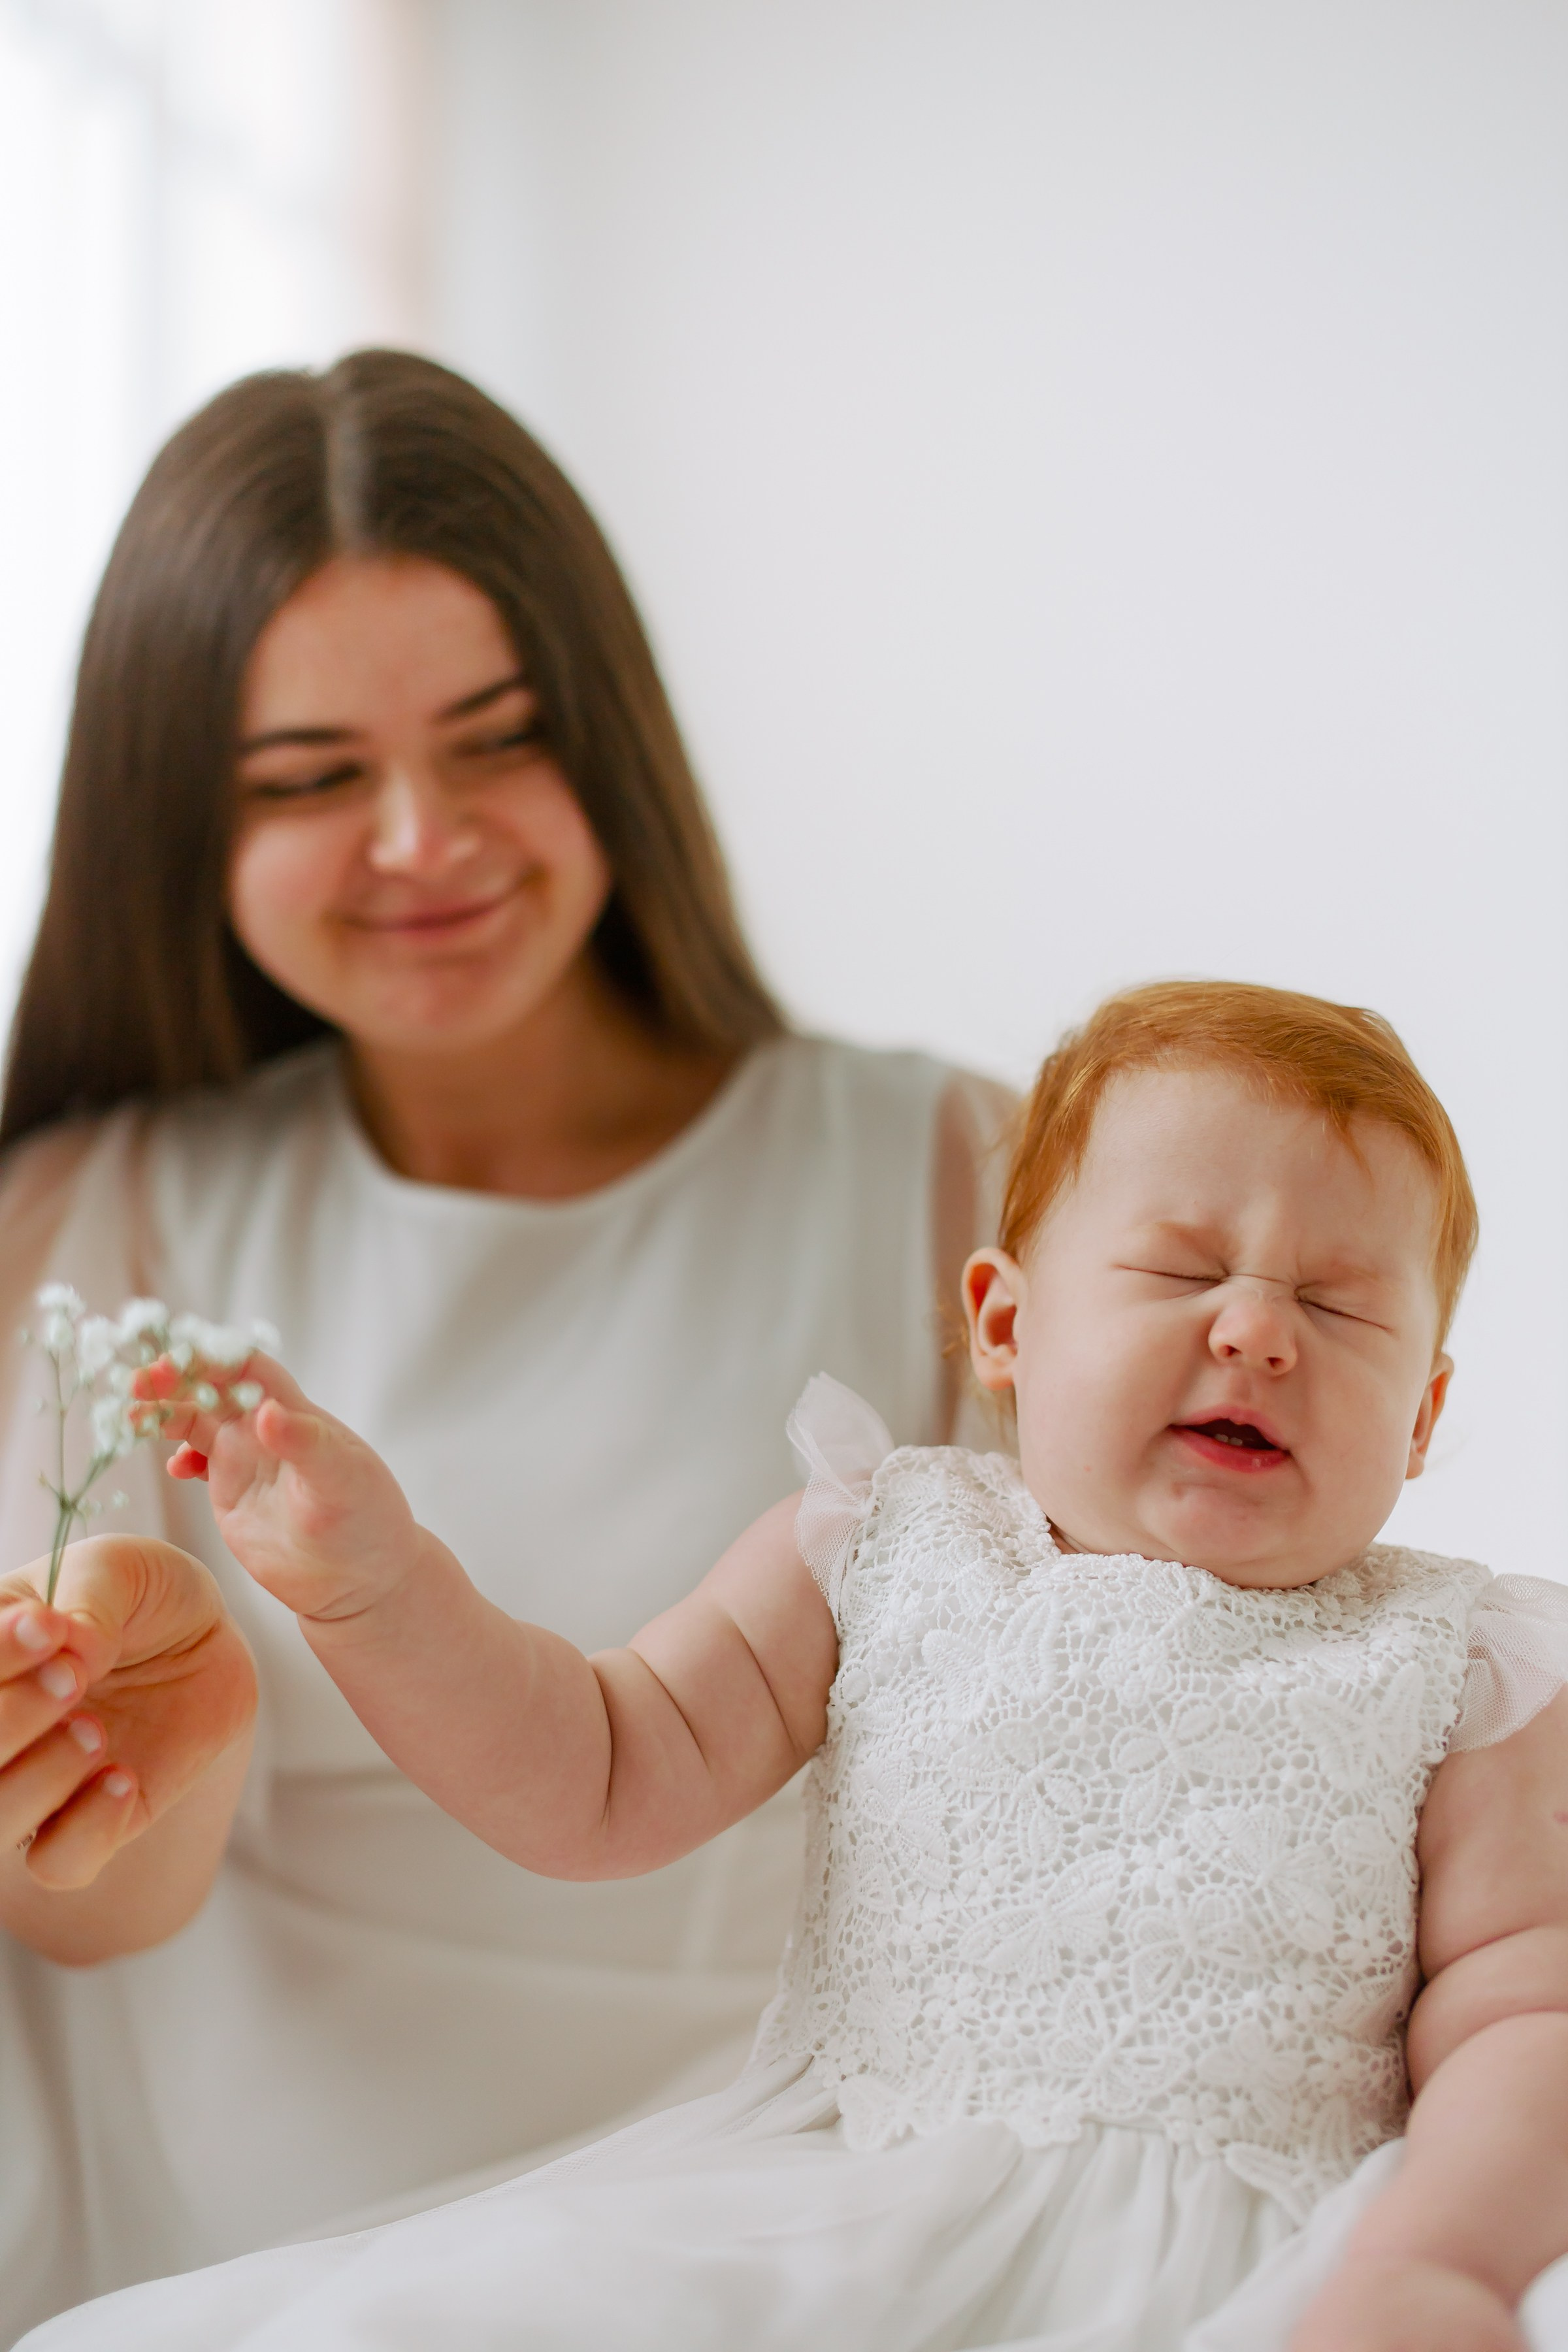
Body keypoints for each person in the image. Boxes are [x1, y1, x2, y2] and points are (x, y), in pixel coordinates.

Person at [18, 977, 1568, 2352]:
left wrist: (1432, 2264)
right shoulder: (883, 1546)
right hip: (846, 2213)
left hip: (1255, 2261)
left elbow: (1525, 2015)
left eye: (1338, 1306)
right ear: (1004, 1323)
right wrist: (380, 1584)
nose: (1259, 1334)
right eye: (1180, 1272)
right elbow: (599, 1768)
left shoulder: (1458, 1667)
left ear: (1424, 1421)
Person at [0, 350, 1013, 2339]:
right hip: (232, 2259)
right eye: (309, 779)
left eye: (501, 740)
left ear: (611, 739)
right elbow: (82, 1917)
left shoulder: (958, 1180)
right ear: (175, 817)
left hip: (791, 2244)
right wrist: (143, 1764)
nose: (421, 839)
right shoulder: (80, 1221)